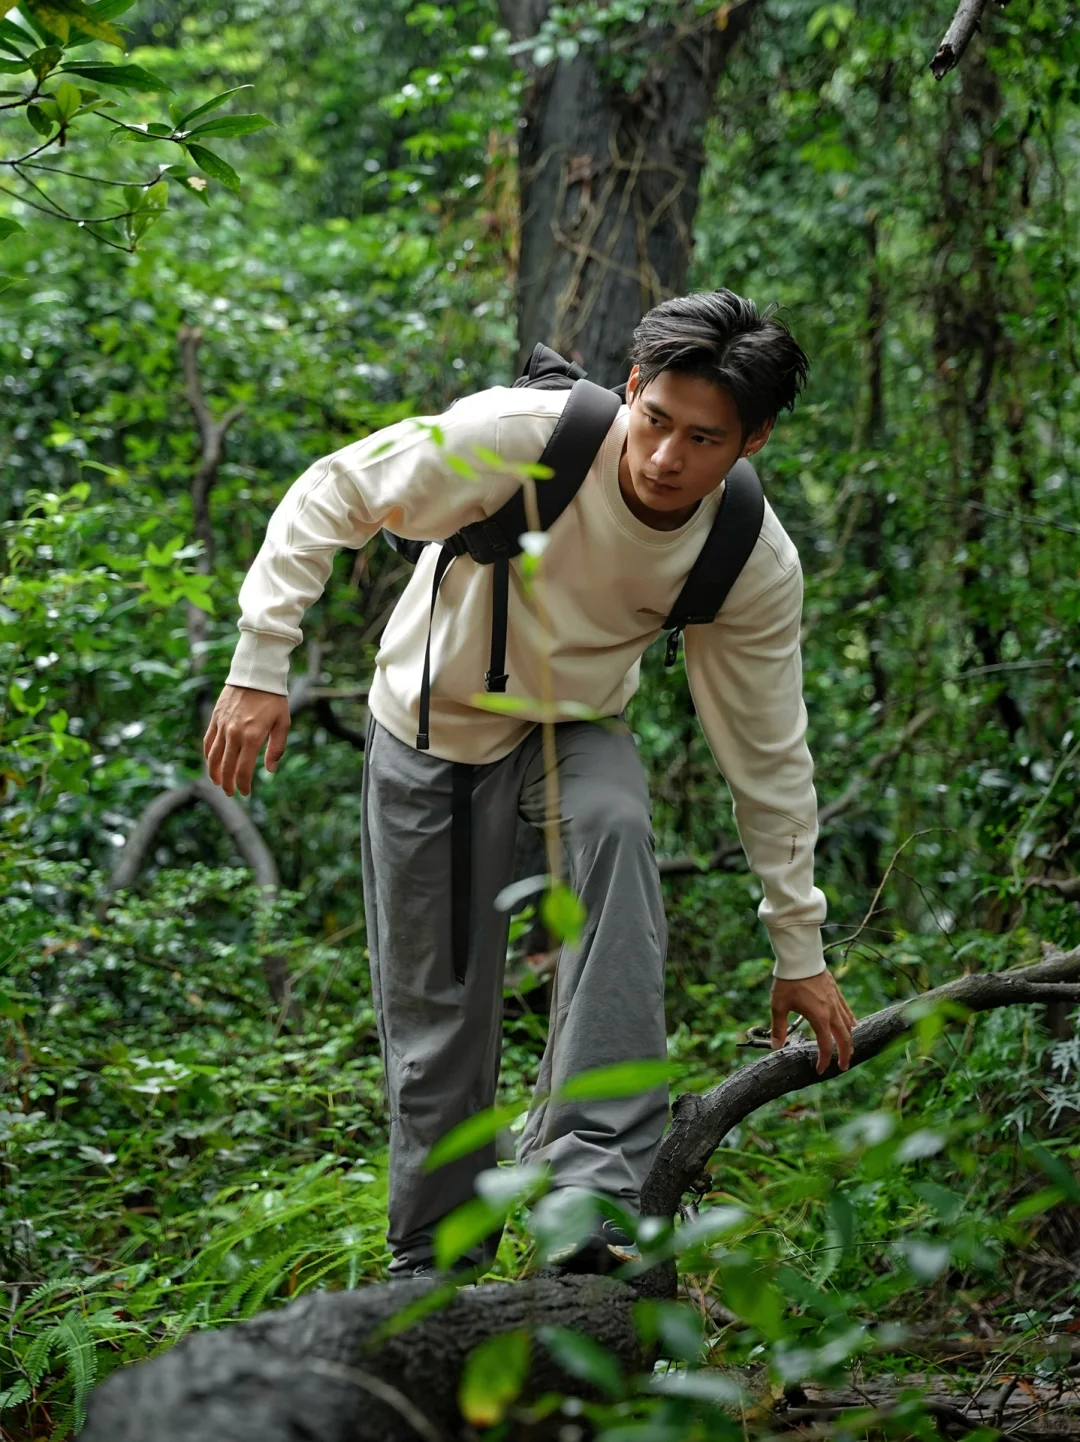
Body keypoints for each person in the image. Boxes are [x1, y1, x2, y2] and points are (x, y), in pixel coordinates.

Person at [203, 289, 856, 1279]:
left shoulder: (746, 555)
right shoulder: (522, 438)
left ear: (752, 440)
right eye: (656, 420)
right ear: (631, 390)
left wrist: (797, 943)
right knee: (440, 1021)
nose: (668, 456)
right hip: (430, 735)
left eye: (705, 438)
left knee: (617, 829)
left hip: (572, 730)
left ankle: (587, 1199)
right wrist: (260, 662)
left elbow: (766, 749)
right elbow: (337, 489)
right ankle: (433, 1262)